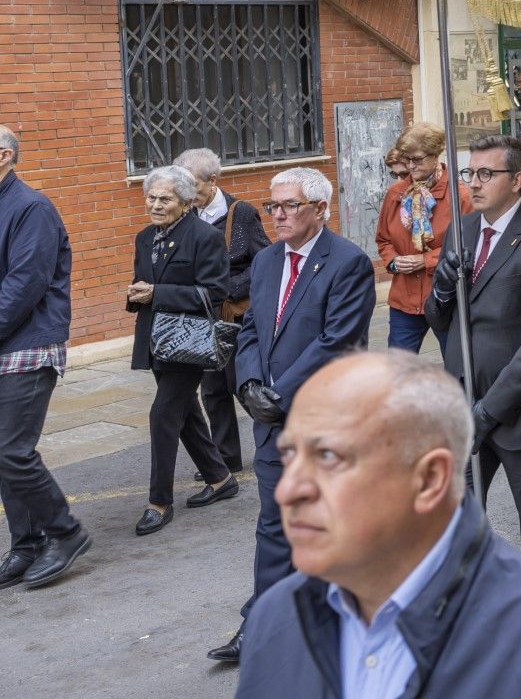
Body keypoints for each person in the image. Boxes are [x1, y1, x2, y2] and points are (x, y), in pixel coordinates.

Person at [237, 352, 521, 698]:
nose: (288, 491)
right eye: (290, 456)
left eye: (327, 456)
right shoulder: (276, 616)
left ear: (429, 479)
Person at [215, 167, 376, 663]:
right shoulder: (265, 261)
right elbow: (251, 332)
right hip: (271, 424)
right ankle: (264, 623)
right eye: (273, 206)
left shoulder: (348, 263)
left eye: (290, 206)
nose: (278, 215)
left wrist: (277, 394)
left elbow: (337, 343)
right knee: (274, 526)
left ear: (320, 210)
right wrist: (247, 384)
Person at [424, 135, 521, 574]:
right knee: (458, 524)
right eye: (471, 173)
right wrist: (442, 288)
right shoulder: (462, 228)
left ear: (517, 181)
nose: (474, 182)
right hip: (463, 400)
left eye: (487, 174)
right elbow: (442, 323)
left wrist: (489, 411)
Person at [0, 126, 90, 590]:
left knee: (13, 451)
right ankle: (27, 543)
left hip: (28, 345)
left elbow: (24, 287)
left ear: (4, 156)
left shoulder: (30, 207)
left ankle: (66, 532)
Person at [125, 164, 236, 536]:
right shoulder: (144, 237)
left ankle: (159, 501)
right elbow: (146, 282)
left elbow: (214, 292)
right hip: (155, 339)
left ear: (186, 202)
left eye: (165, 198)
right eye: (151, 197)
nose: (155, 205)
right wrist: (137, 294)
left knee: (163, 415)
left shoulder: (204, 237)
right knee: (185, 411)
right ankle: (221, 479)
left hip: (189, 342)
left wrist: (158, 294)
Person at [177, 147, 270, 478]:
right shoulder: (184, 214)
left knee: (240, 383)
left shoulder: (240, 213)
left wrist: (226, 287)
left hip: (234, 314)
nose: (185, 194)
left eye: (192, 187)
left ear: (212, 180)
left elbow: (265, 261)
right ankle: (226, 458)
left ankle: (277, 444)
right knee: (212, 389)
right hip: (201, 316)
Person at [374, 123, 471, 356]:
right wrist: (394, 262)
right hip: (404, 298)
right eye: (407, 159)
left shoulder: (461, 196)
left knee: (457, 368)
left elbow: (467, 246)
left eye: (416, 159)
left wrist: (425, 260)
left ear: (436, 155)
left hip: (446, 297)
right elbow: (383, 239)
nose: (410, 166)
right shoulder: (396, 193)